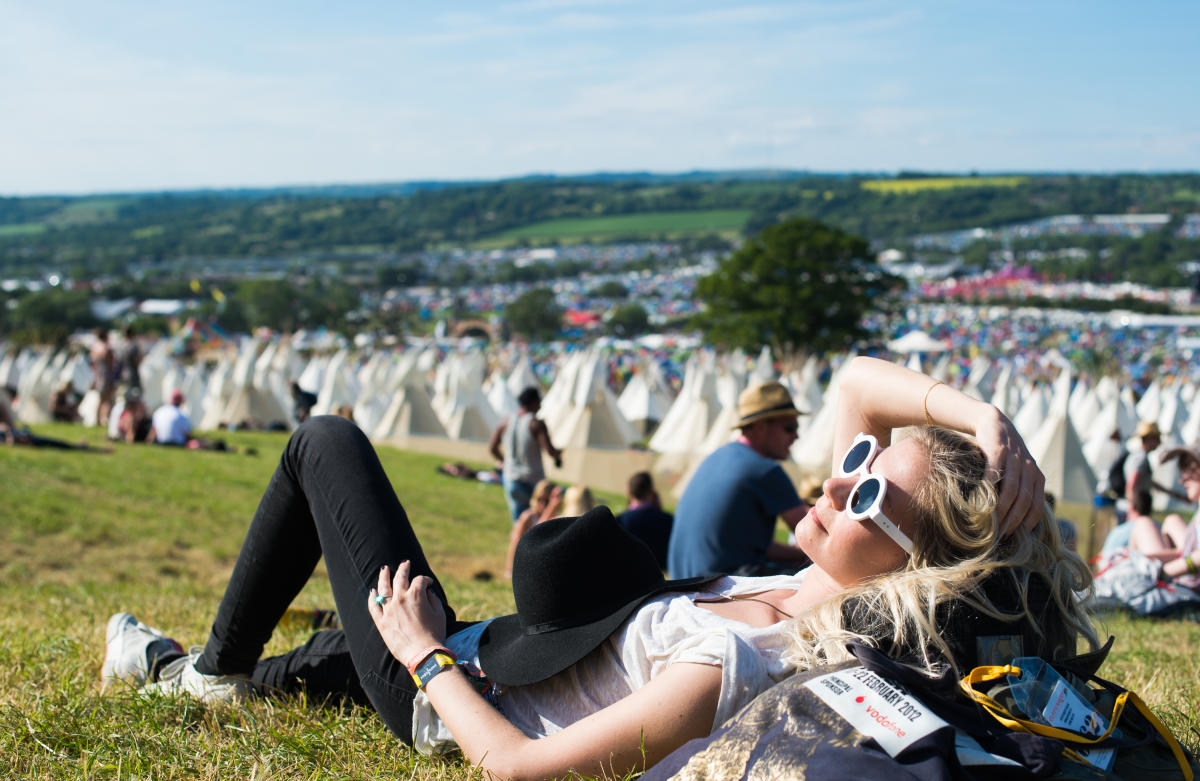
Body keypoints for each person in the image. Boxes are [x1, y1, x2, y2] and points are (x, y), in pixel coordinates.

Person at [101, 357, 1089, 780]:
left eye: (872, 493)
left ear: (913, 568)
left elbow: (526, 767)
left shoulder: (748, 659)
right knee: (318, 658)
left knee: (324, 442)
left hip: (452, 696)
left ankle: (214, 669)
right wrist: (979, 419)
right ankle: (192, 673)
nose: (842, 480)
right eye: (857, 461)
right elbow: (856, 385)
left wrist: (423, 655)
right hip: (506, 646)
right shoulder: (793, 583)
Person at [668, 380, 811, 578]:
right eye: (789, 427)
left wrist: (799, 554)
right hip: (721, 589)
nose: (796, 436)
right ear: (761, 427)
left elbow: (751, 547)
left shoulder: (717, 457)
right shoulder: (765, 470)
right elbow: (815, 536)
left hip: (684, 585)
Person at [488, 387, 562, 523]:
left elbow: (492, 448)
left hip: (512, 477)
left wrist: (506, 461)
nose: (540, 405)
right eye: (538, 402)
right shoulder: (536, 424)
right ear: (533, 402)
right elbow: (549, 450)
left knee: (519, 523)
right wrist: (559, 454)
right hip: (533, 479)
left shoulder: (506, 422)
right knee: (539, 523)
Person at [503, 479, 562, 578]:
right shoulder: (528, 516)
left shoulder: (556, 517)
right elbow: (516, 543)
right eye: (540, 499)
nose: (542, 504)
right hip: (525, 562)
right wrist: (510, 569)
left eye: (547, 501)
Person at [616, 471, 674, 570]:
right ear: (651, 492)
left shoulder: (619, 522)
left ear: (628, 493)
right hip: (661, 576)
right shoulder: (668, 520)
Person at [90, 328, 117, 428]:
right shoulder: (106, 348)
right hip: (106, 375)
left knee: (101, 399)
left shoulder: (95, 347)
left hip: (98, 375)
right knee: (108, 398)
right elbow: (112, 363)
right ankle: (106, 418)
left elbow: (92, 363)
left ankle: (98, 419)